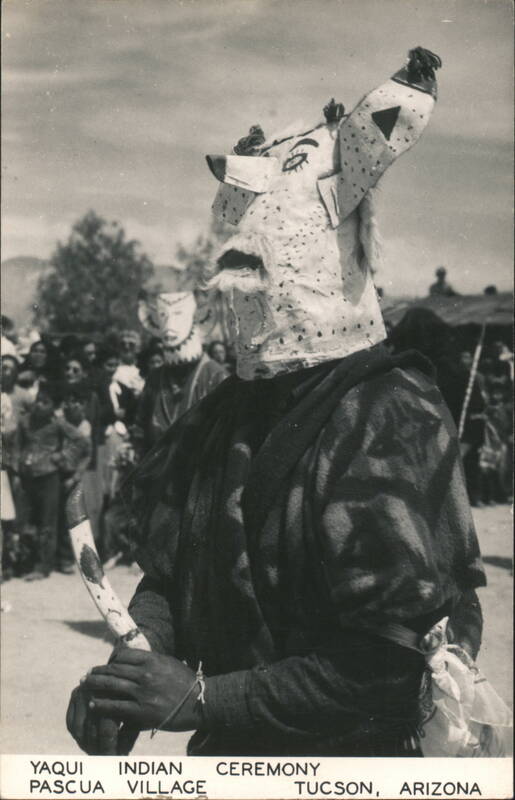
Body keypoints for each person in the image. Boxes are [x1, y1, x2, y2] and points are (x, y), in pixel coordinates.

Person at [68, 47, 485, 758]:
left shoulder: (387, 413)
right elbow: (172, 574)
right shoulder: (231, 408)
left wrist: (204, 699)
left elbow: (391, 666)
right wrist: (136, 669)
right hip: (231, 757)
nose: (242, 271)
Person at [135, 291, 228, 452]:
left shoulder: (216, 376)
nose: (170, 325)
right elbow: (140, 429)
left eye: (178, 314)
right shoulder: (155, 379)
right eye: (163, 315)